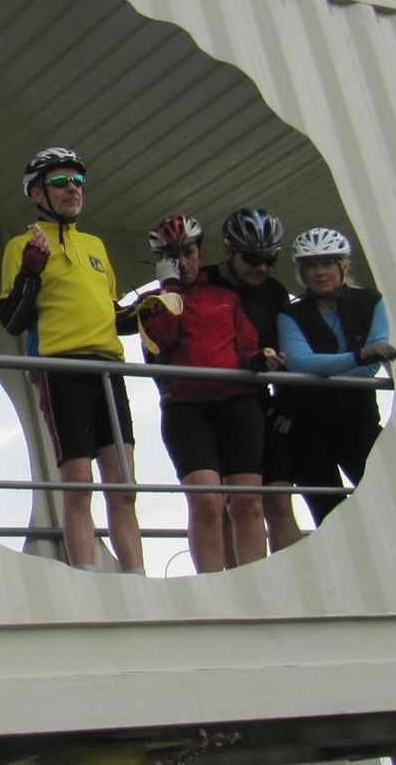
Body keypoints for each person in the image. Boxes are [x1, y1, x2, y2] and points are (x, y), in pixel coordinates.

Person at [0, 147, 145, 573]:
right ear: (37, 193)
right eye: (61, 182)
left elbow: (111, 313)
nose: (73, 189)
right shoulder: (22, 245)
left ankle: (136, 576)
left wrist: (147, 311)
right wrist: (31, 270)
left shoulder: (95, 245)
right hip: (63, 368)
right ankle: (84, 576)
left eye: (78, 181)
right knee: (79, 482)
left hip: (109, 368)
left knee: (124, 485)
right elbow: (12, 319)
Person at [138, 214, 282, 573]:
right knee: (206, 502)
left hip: (237, 403)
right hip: (186, 409)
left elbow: (247, 346)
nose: (182, 262)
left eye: (187, 253)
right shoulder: (152, 301)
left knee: (247, 501)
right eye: (171, 256)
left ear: (200, 252)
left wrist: (260, 359)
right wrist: (169, 290)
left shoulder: (225, 297)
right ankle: (212, 585)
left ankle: (256, 581)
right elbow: (161, 341)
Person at [276, 228, 396, 525]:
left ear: (343, 266)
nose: (320, 272)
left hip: (358, 420)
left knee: (392, 501)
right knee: (330, 516)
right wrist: (358, 355)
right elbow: (299, 362)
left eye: (327, 263)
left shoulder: (370, 300)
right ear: (301, 272)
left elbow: (373, 364)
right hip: (307, 426)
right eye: (311, 266)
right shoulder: (290, 314)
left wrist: (328, 369)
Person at [203, 207, 303, 553]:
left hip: (261, 401)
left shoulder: (274, 291)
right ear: (228, 251)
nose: (261, 268)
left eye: (270, 259)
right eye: (252, 258)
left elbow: (288, 348)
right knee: (233, 505)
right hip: (216, 401)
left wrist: (287, 403)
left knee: (279, 500)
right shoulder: (204, 283)